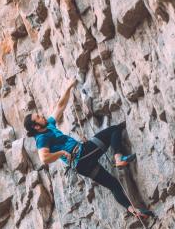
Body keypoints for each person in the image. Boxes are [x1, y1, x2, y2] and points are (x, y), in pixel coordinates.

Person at [24, 79, 153, 219]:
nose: (41, 115)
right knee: (114, 130)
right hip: (82, 154)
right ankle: (118, 158)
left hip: (81, 165)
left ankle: (134, 211)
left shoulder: (48, 125)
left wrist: (68, 87)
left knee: (114, 184)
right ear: (36, 126)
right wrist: (61, 152)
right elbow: (44, 158)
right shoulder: (41, 139)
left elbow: (60, 106)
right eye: (38, 117)